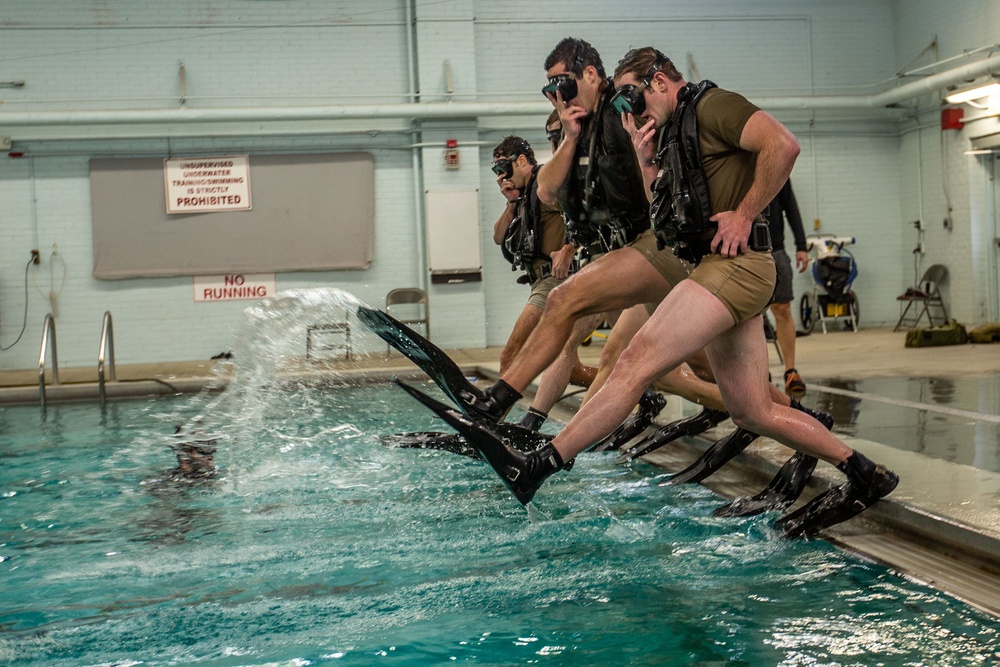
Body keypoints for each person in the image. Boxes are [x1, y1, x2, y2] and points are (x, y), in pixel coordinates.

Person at [444, 47, 898, 538]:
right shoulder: (668, 134)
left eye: (631, 99)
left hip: (735, 267)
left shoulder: (713, 106)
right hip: (711, 267)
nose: (630, 113)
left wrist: (745, 213)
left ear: (659, 81)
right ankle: (863, 471)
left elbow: (783, 146)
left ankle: (541, 464)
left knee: (634, 362)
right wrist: (644, 161)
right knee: (752, 410)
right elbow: (662, 210)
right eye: (620, 106)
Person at [490, 132, 603, 429]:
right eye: (496, 171)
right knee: (570, 369)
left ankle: (489, 425)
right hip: (539, 282)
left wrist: (567, 250)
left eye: (503, 167)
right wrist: (511, 204)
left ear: (523, 161)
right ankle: (641, 389)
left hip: (552, 283)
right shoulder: (524, 197)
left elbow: (584, 221)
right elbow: (498, 236)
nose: (501, 176)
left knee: (510, 356)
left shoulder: (546, 187)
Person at [764, 180, 809, 396]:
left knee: (782, 310)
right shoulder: (734, 160)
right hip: (743, 249)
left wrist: (801, 244)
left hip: (775, 249)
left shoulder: (776, 164)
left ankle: (791, 371)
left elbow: (790, 206)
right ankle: (759, 374)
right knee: (750, 317)